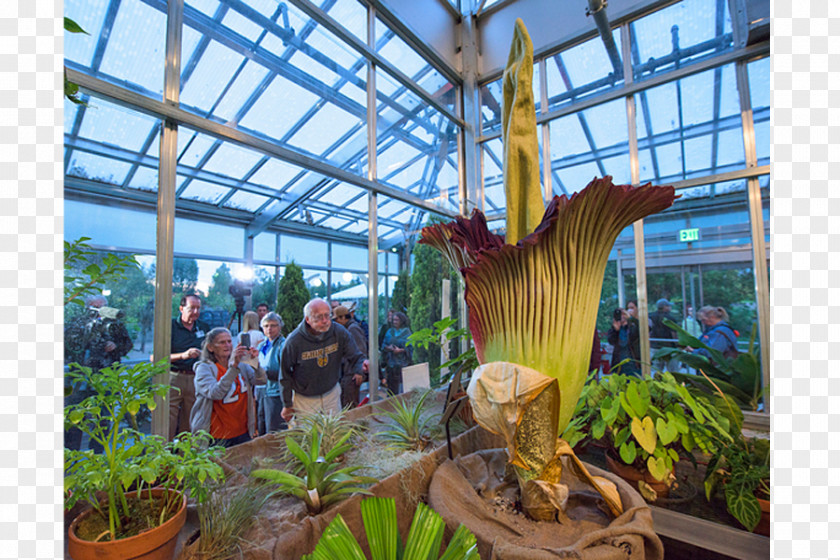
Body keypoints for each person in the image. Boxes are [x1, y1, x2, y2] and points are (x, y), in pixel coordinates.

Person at [280, 298, 369, 423]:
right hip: (305, 398)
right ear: (307, 319)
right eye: (319, 317)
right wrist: (287, 404)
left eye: (327, 315)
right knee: (309, 437)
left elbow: (355, 356)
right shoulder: (294, 341)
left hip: (331, 393)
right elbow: (284, 375)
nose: (325, 321)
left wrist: (362, 365)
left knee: (334, 433)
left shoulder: (339, 332)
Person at [64, 294, 134, 452]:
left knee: (103, 419)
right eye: (96, 307)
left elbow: (127, 344)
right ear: (88, 307)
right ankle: (71, 455)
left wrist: (115, 345)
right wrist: (89, 339)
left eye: (103, 306)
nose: (100, 311)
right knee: (76, 418)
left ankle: (98, 454)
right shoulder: (78, 322)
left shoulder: (114, 324)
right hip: (81, 379)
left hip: (106, 378)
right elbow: (70, 345)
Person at [190, 327, 266, 448]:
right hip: (216, 436)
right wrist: (233, 367)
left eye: (229, 341)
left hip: (242, 432)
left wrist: (255, 363)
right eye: (222, 342)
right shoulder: (204, 368)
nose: (227, 345)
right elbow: (215, 393)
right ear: (210, 347)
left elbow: (261, 381)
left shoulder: (241, 364)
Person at [169, 294, 210, 440]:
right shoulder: (170, 327)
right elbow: (155, 358)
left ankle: (183, 459)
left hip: (195, 379)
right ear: (181, 308)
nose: (195, 312)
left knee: (190, 422)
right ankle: (163, 458)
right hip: (174, 378)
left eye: (198, 308)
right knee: (168, 421)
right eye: (191, 308)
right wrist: (183, 355)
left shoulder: (204, 327)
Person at [236, 310, 267, 435]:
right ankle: (255, 427)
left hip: (243, 365)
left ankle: (252, 427)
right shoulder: (259, 334)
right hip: (254, 365)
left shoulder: (240, 335)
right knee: (254, 398)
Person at [257, 312, 287, 433]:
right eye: (266, 325)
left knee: (274, 428)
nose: (269, 329)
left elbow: (285, 372)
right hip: (261, 390)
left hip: (276, 392)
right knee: (261, 425)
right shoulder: (262, 345)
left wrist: (265, 373)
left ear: (280, 327)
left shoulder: (283, 345)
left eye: (273, 325)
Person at [333, 305, 367, 408]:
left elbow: (361, 349)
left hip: (352, 373)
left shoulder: (352, 329)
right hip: (348, 372)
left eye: (336, 319)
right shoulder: (348, 328)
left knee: (350, 403)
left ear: (343, 317)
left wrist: (358, 372)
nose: (335, 322)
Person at [380, 311, 412, 395]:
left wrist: (401, 350)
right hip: (391, 364)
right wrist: (389, 348)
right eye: (393, 320)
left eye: (397, 320)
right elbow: (383, 345)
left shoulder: (407, 332)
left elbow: (410, 347)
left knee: (402, 388)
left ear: (402, 320)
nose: (395, 322)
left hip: (402, 364)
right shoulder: (390, 331)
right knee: (391, 389)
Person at [608, 308, 641, 377]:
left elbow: (643, 330)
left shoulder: (632, 326)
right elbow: (611, 341)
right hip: (619, 363)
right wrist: (615, 330)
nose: (622, 316)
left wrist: (630, 319)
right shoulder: (615, 328)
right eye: (620, 315)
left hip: (633, 363)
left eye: (624, 314)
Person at [649, 298, 678, 372]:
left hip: (655, 346)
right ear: (665, 307)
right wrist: (677, 344)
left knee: (656, 370)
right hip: (669, 347)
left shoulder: (650, 316)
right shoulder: (670, 318)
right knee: (673, 371)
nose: (670, 308)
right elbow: (674, 333)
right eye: (668, 306)